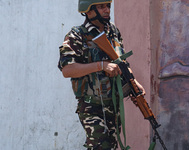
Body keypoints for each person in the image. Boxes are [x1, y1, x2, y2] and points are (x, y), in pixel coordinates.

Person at [58, 0, 145, 149]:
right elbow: (67, 69)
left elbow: (122, 62)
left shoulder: (113, 31)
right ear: (89, 10)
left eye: (108, 6)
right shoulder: (76, 35)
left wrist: (133, 83)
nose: (107, 10)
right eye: (101, 6)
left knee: (110, 146)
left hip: (113, 104)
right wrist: (101, 66)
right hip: (92, 106)